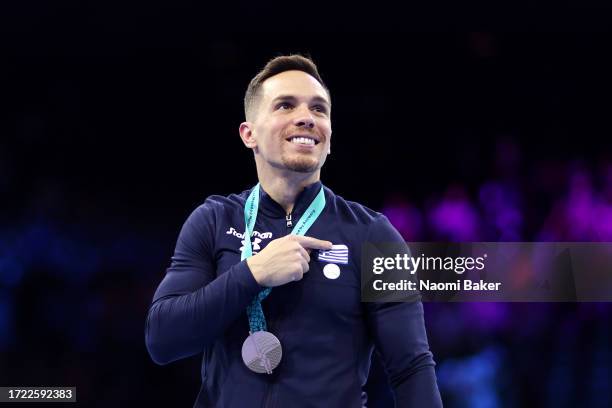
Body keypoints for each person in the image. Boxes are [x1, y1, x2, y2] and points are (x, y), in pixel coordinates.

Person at [145, 54, 442, 407]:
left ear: (329, 139)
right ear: (249, 134)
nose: (306, 118)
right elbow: (162, 340)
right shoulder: (213, 221)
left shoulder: (373, 235)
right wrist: (252, 273)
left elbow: (411, 369)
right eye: (285, 106)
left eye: (319, 110)